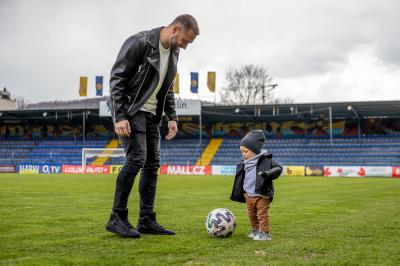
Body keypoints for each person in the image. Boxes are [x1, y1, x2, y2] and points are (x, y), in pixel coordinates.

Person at [106, 14, 199, 238]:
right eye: (186, 41)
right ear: (175, 29)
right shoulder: (139, 42)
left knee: (152, 164)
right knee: (137, 159)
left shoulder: (174, 53)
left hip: (152, 115)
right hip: (131, 109)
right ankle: (116, 217)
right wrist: (120, 116)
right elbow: (117, 79)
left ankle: (146, 219)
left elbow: (167, 88)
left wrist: (173, 117)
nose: (185, 47)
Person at [230, 130, 282, 240]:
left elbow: (278, 168)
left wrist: (268, 174)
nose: (243, 154)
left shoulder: (266, 160)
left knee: (262, 214)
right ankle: (255, 230)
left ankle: (265, 233)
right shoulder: (244, 163)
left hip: (261, 194)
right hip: (248, 195)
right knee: (252, 215)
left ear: (255, 150)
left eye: (246, 151)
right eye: (242, 152)